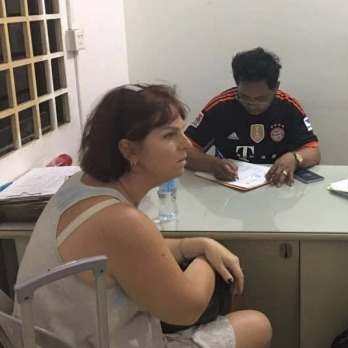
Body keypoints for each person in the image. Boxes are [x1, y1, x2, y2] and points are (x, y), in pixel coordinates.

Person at [13, 84, 272, 348]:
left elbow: (128, 254)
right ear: (129, 150)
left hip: (61, 338)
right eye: (170, 136)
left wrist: (197, 243)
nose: (185, 144)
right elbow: (188, 308)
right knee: (257, 325)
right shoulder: (121, 221)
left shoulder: (80, 184)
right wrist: (205, 258)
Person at [185, 47, 320, 187]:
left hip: (276, 186)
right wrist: (213, 164)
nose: (252, 104)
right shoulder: (221, 106)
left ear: (275, 88)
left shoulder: (288, 107)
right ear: (237, 85)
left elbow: (314, 152)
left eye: (261, 99)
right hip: (229, 187)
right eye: (244, 97)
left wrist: (295, 158)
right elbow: (185, 150)